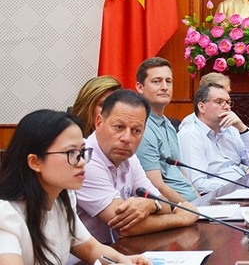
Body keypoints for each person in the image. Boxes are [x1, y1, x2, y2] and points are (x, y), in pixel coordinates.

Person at [0, 109, 150, 265]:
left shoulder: (62, 199)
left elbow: (91, 249)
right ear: (35, 162)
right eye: (71, 152)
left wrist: (124, 261)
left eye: (82, 151)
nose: (82, 162)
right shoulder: (5, 215)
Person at [77, 90, 198, 243]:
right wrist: (181, 218)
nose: (127, 138)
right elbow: (125, 227)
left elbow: (164, 203)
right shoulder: (86, 160)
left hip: (116, 252)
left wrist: (152, 204)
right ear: (99, 122)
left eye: (136, 131)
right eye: (119, 127)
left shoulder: (130, 158)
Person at [178, 83, 249, 193]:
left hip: (243, 190)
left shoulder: (231, 129)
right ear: (202, 107)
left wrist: (242, 128)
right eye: (219, 102)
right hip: (217, 198)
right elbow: (199, 184)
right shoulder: (190, 135)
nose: (227, 107)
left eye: (228, 102)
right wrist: (240, 184)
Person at [134, 57, 199, 202]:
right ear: (140, 87)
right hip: (176, 210)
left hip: (194, 205)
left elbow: (180, 173)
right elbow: (156, 185)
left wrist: (201, 202)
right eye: (156, 81)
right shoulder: (141, 128)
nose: (164, 87)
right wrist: (192, 209)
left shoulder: (169, 124)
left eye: (168, 81)